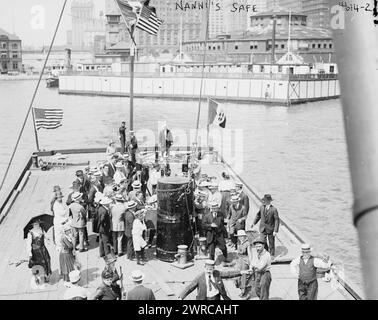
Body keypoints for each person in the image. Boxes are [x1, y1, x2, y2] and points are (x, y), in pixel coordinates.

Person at [249, 236, 272, 300]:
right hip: (258, 274)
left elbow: (260, 267)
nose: (258, 248)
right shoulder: (256, 253)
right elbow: (252, 262)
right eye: (256, 246)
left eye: (259, 246)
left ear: (263, 246)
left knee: (264, 292)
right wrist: (251, 267)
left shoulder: (266, 255)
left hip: (265, 274)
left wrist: (254, 265)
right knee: (257, 289)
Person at [235, 230, 254, 299]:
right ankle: (242, 291)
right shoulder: (239, 242)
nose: (240, 238)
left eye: (241, 236)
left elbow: (250, 254)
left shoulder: (247, 243)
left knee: (245, 277)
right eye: (239, 236)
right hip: (239, 261)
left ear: (244, 236)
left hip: (245, 262)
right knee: (239, 276)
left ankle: (247, 293)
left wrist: (251, 264)